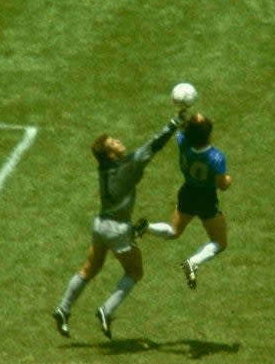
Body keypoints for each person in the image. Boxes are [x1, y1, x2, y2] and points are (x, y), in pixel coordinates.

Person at [52, 111, 186, 339]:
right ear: (111, 155)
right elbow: (152, 146)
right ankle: (107, 309)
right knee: (134, 271)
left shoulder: (104, 167)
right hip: (117, 229)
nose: (119, 141)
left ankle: (63, 309)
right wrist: (174, 123)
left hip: (99, 224)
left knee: (90, 268)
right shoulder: (128, 167)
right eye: (113, 142)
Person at [143, 113, 232, 289]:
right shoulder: (216, 158)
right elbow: (223, 185)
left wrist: (183, 113)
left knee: (174, 231)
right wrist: (228, 179)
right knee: (220, 242)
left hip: (187, 192)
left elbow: (182, 129)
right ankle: (194, 262)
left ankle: (147, 227)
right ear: (208, 134)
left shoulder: (183, 141)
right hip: (206, 199)